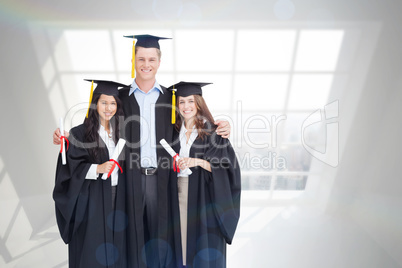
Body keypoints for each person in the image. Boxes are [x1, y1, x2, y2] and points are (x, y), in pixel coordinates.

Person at [53, 35, 232, 268]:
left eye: (151, 59)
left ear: (159, 61)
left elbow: (193, 122)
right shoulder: (121, 98)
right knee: (130, 241)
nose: (146, 64)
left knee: (163, 239)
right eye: (141, 59)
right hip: (129, 180)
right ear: (133, 60)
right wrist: (63, 136)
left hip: (165, 181)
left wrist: (223, 126)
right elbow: (96, 126)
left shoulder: (173, 98)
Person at [53, 80, 128, 267]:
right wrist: (98, 168)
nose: (108, 108)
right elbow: (70, 168)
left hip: (119, 197)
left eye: (113, 103)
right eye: (104, 102)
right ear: (95, 104)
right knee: (92, 249)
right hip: (92, 200)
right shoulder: (79, 133)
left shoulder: (122, 132)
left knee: (117, 247)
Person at [168, 82, 241, 268]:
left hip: (204, 195)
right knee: (181, 242)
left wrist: (197, 162)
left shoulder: (213, 131)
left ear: (198, 103)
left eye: (190, 101)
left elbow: (227, 167)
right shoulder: (172, 132)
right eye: (182, 102)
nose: (186, 106)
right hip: (176, 194)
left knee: (203, 241)